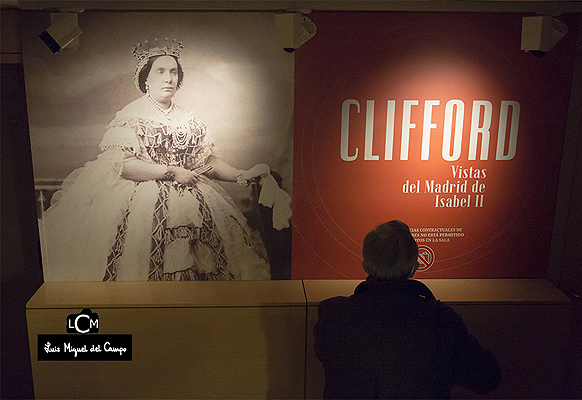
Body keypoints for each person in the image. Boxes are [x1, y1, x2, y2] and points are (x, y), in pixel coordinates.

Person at [41, 37, 275, 281]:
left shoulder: (189, 118)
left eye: (173, 72)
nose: (168, 78)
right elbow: (124, 165)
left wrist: (241, 174)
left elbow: (206, 162)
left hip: (195, 199)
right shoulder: (131, 115)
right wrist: (173, 172)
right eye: (160, 71)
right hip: (140, 201)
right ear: (146, 78)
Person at [314, 220, 501, 399]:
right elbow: (487, 378)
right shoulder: (441, 319)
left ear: (365, 264)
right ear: (413, 268)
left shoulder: (332, 314)